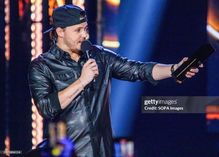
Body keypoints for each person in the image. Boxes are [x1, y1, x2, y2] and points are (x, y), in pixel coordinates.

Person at [28, 4, 201, 157]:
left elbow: (138, 70)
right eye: (78, 30)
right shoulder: (42, 66)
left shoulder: (99, 56)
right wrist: (81, 81)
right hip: (69, 152)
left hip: (102, 151)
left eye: (85, 28)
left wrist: (173, 69)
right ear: (60, 31)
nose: (84, 35)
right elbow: (46, 108)